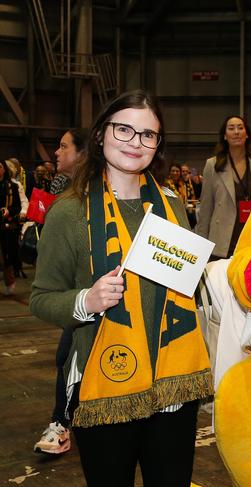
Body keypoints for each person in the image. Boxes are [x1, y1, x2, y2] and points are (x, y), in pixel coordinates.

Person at [30, 89, 212, 487]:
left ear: (157, 144)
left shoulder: (171, 205)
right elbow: (41, 297)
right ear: (100, 135)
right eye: (124, 129)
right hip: (104, 384)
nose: (136, 142)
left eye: (148, 135)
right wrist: (86, 301)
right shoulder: (70, 211)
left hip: (173, 385)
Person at [33, 128, 88, 455]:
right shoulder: (62, 188)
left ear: (81, 152)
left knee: (68, 355)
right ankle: (63, 421)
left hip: (92, 289)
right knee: (67, 355)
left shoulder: (96, 191)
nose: (56, 152)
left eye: (64, 146)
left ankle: (61, 422)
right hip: (72, 291)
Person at [196, 115, 251, 260]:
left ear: (247, 134)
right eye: (231, 128)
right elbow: (206, 210)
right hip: (222, 242)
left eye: (240, 128)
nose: (236, 132)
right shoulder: (212, 165)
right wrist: (200, 247)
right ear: (225, 136)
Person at [0, 159, 22, 295]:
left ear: (4, 169)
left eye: (0, 167)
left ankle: (10, 282)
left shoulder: (11, 186)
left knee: (6, 256)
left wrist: (9, 211)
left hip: (6, 226)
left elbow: (17, 207)